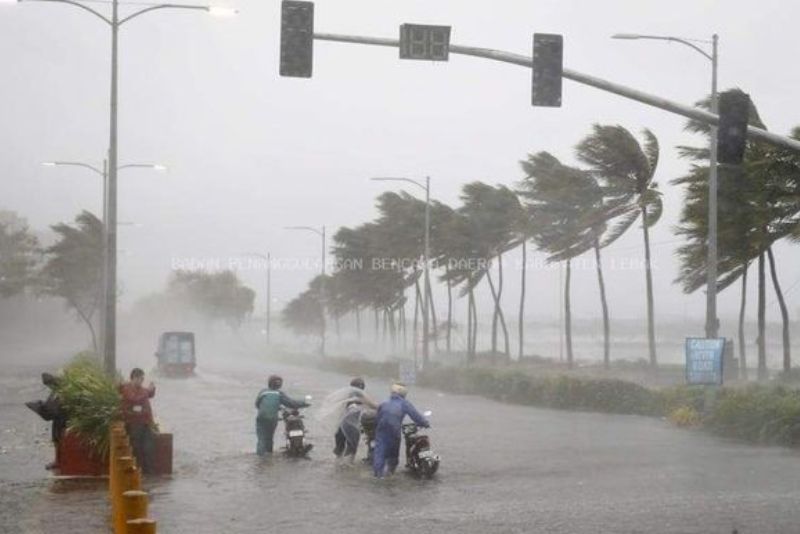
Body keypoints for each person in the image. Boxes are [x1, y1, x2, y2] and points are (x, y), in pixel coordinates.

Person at [372, 382, 429, 478]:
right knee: (393, 454)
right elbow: (416, 416)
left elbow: (377, 418)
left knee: (379, 452)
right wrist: (425, 423)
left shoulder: (384, 403)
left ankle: (378, 475)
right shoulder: (404, 403)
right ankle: (390, 475)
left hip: (381, 430)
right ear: (404, 393)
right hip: (394, 431)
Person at [254, 375, 310, 456]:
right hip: (273, 419)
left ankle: (260, 458)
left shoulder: (263, 392)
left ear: (269, 383)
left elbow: (257, 404)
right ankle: (269, 455)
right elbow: (291, 403)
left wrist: (272, 408)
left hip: (261, 418)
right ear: (279, 385)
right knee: (269, 438)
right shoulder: (279, 393)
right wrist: (304, 403)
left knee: (261, 438)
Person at [25, 372, 67, 470]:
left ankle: (60, 461)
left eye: (49, 384)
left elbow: (53, 410)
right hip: (58, 421)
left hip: (63, 421)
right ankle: (58, 460)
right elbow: (49, 409)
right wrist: (39, 406)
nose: (49, 387)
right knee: (56, 440)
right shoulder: (55, 392)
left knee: (60, 440)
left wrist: (40, 408)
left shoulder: (62, 392)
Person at [119, 368, 157, 474]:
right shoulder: (127, 389)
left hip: (145, 422)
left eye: (142, 379)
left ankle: (149, 471)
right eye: (140, 378)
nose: (141, 381)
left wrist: (152, 389)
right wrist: (148, 391)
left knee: (149, 447)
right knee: (136, 447)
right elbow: (135, 399)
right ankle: (137, 470)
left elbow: (150, 394)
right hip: (134, 422)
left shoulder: (141, 389)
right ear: (134, 378)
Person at [333, 377, 378, 460]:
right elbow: (374, 406)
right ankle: (348, 466)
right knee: (351, 447)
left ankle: (338, 463)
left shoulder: (346, 395)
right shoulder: (362, 397)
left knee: (340, 446)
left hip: (341, 425)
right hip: (352, 426)